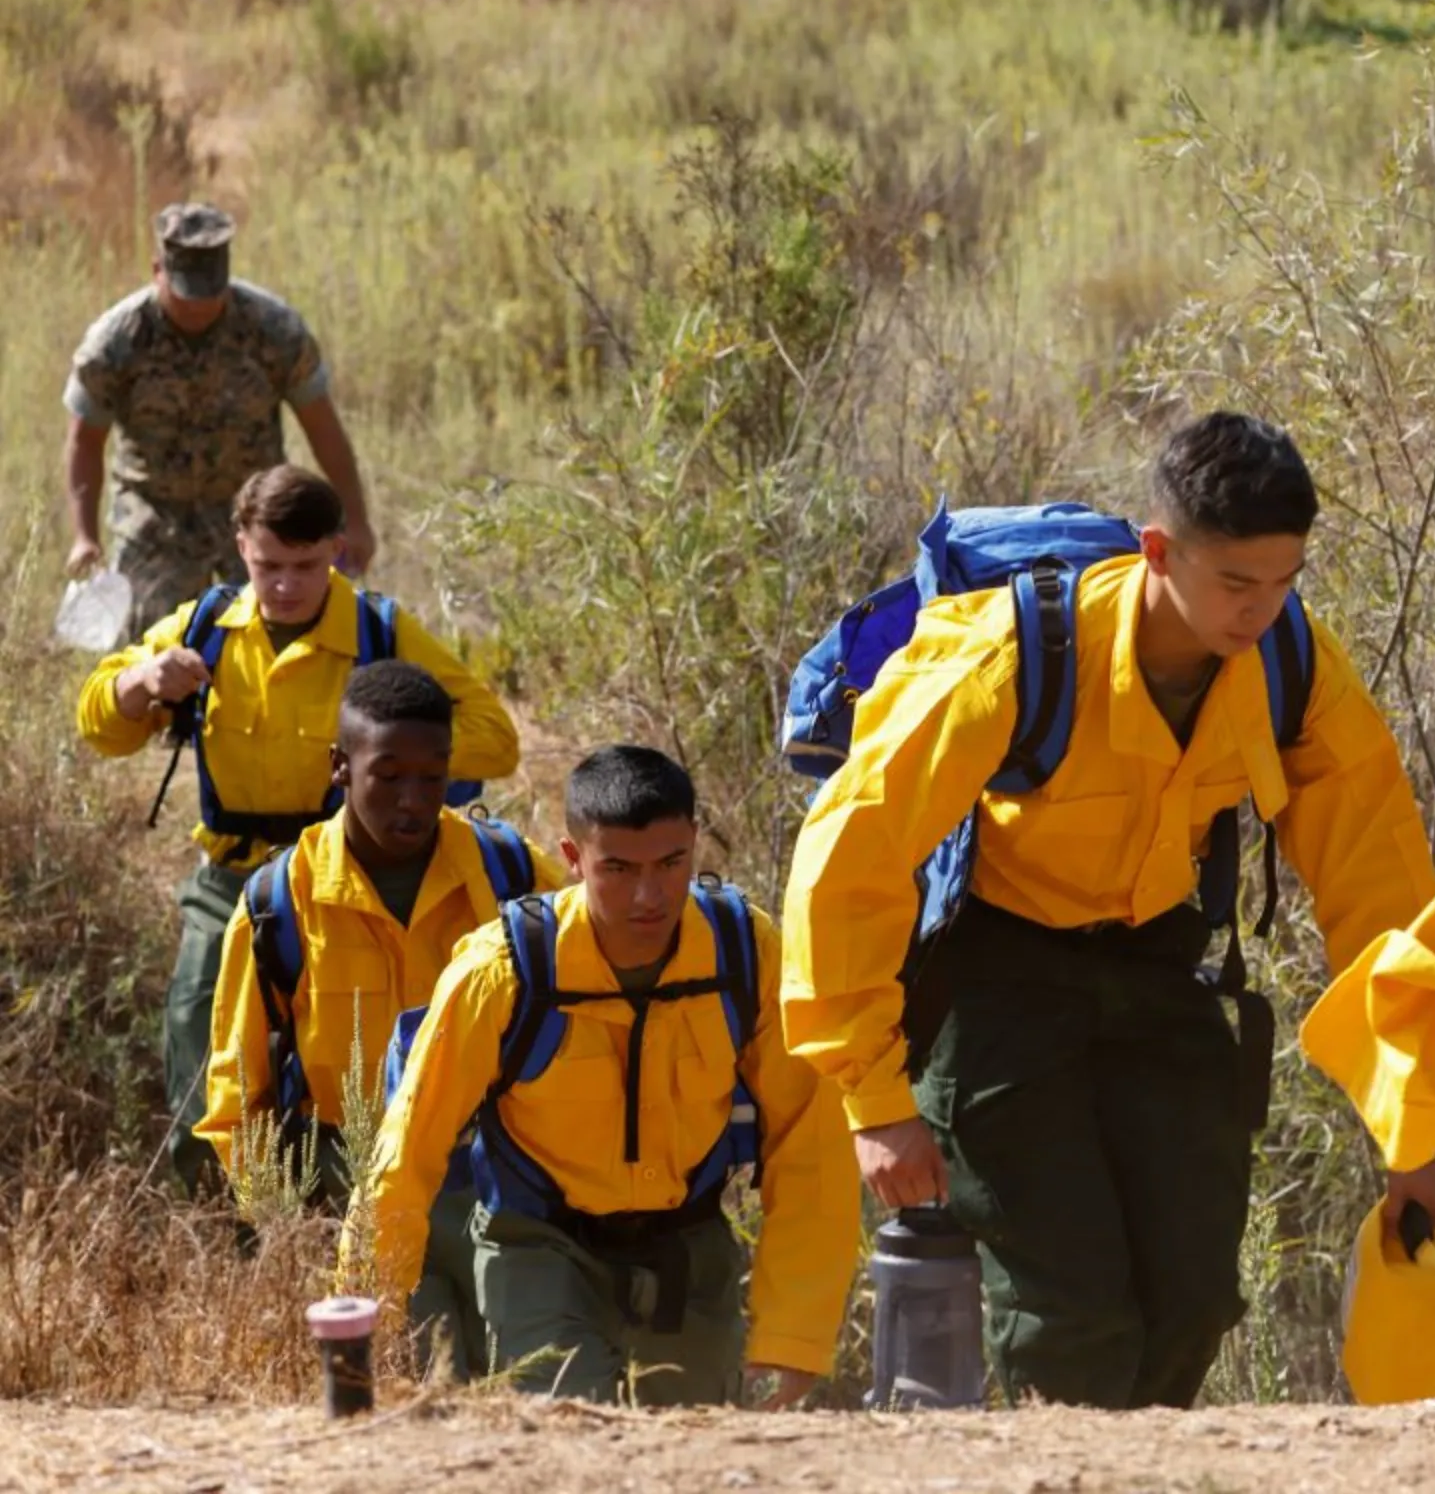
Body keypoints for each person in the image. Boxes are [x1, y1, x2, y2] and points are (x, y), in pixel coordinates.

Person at [781, 411, 1435, 1409]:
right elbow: (849, 858)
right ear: (1158, 550)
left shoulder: (1293, 666)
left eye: (1284, 581)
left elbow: (1379, 895)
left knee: (1193, 1300)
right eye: (1235, 583)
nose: (1261, 611)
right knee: (1068, 1316)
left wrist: (1418, 1132)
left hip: (1160, 977)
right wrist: (876, 1102)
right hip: (998, 986)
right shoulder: (1014, 655)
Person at [351, 745, 856, 1409]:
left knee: (694, 1452)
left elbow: (810, 1148)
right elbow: (405, 1153)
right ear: (572, 857)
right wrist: (369, 1320)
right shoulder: (502, 972)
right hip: (538, 1246)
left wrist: (794, 1339)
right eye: (617, 868)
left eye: (671, 864)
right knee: (568, 1438)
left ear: (695, 843)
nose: (649, 894)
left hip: (687, 1251)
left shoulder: (745, 953)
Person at [75, 466, 518, 1195]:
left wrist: (387, 761)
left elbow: (495, 737)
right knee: (198, 1025)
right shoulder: (201, 629)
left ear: (338, 550)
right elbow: (98, 722)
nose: (285, 584)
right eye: (268, 565)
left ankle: (360, 1187)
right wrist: (143, 683)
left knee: (346, 1044)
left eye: (306, 566)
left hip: (346, 871)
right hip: (230, 876)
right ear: (240, 545)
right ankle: (224, 1206)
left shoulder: (380, 632)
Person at [198, 659, 564, 1379]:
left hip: (499, 1181)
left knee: (528, 1387)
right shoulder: (280, 900)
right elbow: (237, 1096)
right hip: (349, 1185)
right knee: (408, 1387)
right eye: (388, 775)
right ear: (340, 765)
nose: (412, 799)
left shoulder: (510, 873)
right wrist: (286, 1229)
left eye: (432, 778)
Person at [63, 202, 377, 633]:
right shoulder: (115, 343)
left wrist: (356, 520)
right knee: (151, 653)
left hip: (258, 516)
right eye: (186, 295)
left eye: (211, 295)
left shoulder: (273, 330)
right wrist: (85, 535)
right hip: (155, 519)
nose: (199, 308)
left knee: (280, 640)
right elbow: (85, 441)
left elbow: (323, 429)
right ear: (158, 270)